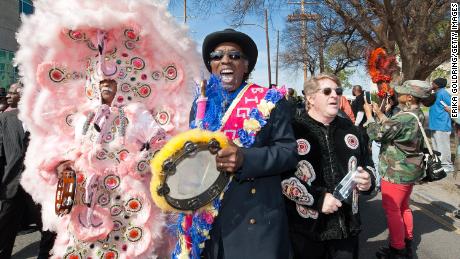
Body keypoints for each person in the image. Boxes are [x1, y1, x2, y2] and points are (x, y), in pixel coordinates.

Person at [15, 1, 201, 257]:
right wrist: (65, 165)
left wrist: (137, 163)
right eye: (100, 84)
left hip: (127, 199)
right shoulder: (82, 119)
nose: (106, 88)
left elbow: (161, 143)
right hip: (88, 201)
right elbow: (67, 150)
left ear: (120, 86)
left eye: (110, 84)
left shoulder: (137, 113)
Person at [192, 28, 297, 259]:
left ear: (246, 66)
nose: (225, 60)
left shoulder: (268, 100)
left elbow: (288, 153)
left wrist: (244, 159)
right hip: (208, 222)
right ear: (211, 65)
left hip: (254, 218)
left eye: (234, 55)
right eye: (217, 56)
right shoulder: (200, 104)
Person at [283, 73, 375, 259]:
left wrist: (369, 180)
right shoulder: (292, 130)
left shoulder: (352, 130)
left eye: (338, 91)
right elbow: (282, 177)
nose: (334, 95)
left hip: (347, 228)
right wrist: (317, 199)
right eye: (327, 91)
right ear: (310, 98)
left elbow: (368, 164)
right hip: (307, 230)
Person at [364, 80, 431, 259]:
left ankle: (397, 249)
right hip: (410, 169)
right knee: (404, 207)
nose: (397, 94)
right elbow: (395, 131)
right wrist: (380, 113)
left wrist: (370, 116)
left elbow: (376, 134)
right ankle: (407, 240)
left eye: (401, 92)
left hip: (396, 171)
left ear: (409, 97)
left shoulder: (403, 118)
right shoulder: (417, 114)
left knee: (392, 209)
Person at [0, 83, 55, 258]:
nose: (8, 96)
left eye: (12, 93)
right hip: (12, 182)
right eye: (7, 93)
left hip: (37, 183)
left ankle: (45, 254)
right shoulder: (5, 119)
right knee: (4, 224)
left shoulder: (44, 119)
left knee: (46, 224)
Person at [429, 77, 454, 173]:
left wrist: (450, 109)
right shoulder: (435, 94)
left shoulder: (443, 93)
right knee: (436, 147)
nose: (432, 83)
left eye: (433, 82)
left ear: (438, 85)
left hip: (442, 124)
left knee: (443, 146)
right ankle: (439, 164)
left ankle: (448, 165)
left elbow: (455, 105)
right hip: (434, 124)